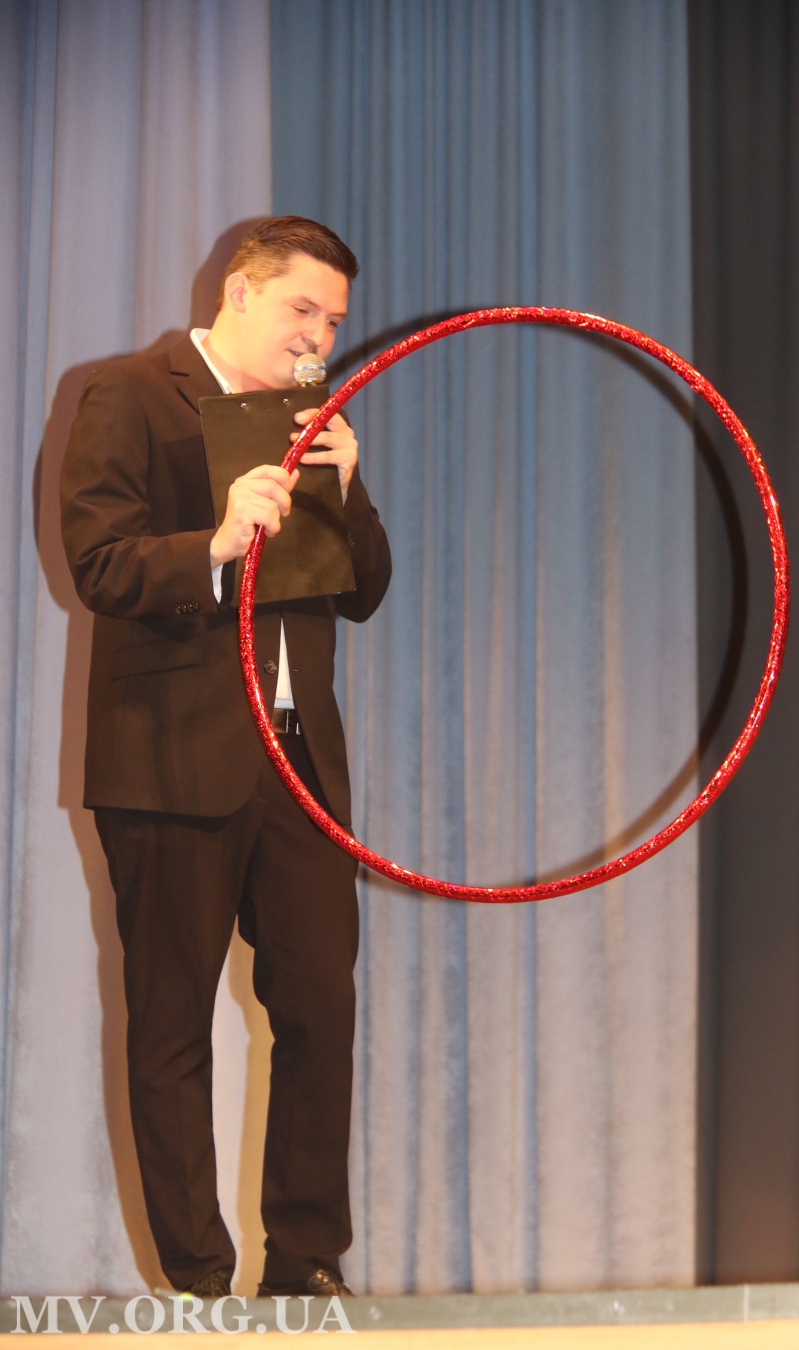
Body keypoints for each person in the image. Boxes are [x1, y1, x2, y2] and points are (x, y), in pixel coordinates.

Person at [60, 217, 391, 1299]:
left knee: (321, 1010)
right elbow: (99, 563)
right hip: (171, 761)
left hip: (298, 765)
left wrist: (350, 482)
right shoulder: (129, 393)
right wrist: (212, 543)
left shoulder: (311, 423)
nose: (318, 339)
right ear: (240, 293)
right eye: (302, 310)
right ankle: (200, 1285)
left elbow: (363, 592)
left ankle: (305, 1266)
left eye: (333, 322)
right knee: (171, 1027)